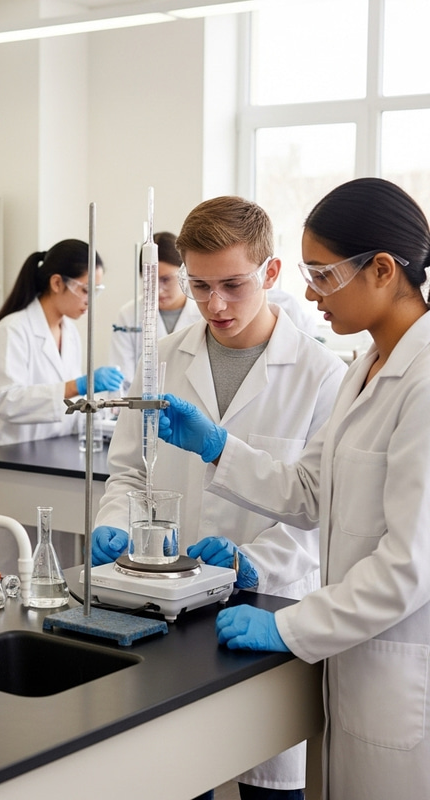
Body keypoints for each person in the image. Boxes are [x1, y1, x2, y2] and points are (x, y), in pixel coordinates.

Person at [158, 178, 430, 798]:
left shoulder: (423, 379)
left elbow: (409, 566)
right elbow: (312, 492)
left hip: (398, 668)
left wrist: (291, 626)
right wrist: (221, 448)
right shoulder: (367, 367)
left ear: (382, 270)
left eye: (323, 275)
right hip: (352, 662)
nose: (309, 293)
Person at [91, 196, 347, 800]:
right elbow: (128, 473)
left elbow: (321, 511)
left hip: (268, 610)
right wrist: (117, 522)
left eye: (233, 285)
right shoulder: (161, 361)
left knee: (270, 784)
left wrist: (253, 563)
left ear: (272, 272)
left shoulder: (322, 375)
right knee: (178, 774)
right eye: (200, 286)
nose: (216, 305)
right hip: (167, 604)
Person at [0, 239, 123, 446]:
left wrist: (103, 410)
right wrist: (77, 386)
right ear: (56, 283)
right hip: (13, 452)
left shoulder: (70, 332)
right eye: (85, 290)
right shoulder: (12, 329)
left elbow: (67, 407)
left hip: (57, 447)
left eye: (95, 291)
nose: (90, 300)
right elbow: (5, 402)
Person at [109, 231, 201, 392]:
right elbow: (123, 379)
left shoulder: (202, 313)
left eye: (166, 279)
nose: (158, 290)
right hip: (141, 402)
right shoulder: (129, 315)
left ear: (184, 273)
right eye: (149, 280)